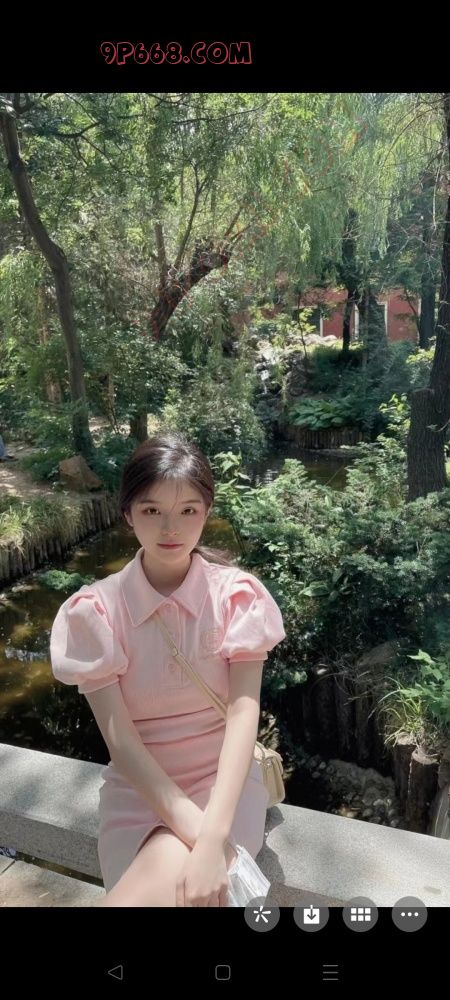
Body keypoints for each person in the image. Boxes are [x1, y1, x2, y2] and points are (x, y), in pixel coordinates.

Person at [50, 431, 286, 906]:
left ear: (207, 512)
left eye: (188, 511)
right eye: (152, 510)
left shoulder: (236, 597)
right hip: (138, 790)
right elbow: (121, 742)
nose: (170, 528)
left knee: (165, 874)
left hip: (224, 785)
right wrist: (203, 840)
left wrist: (213, 835)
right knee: (169, 870)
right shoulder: (95, 611)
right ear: (128, 514)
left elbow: (243, 715)